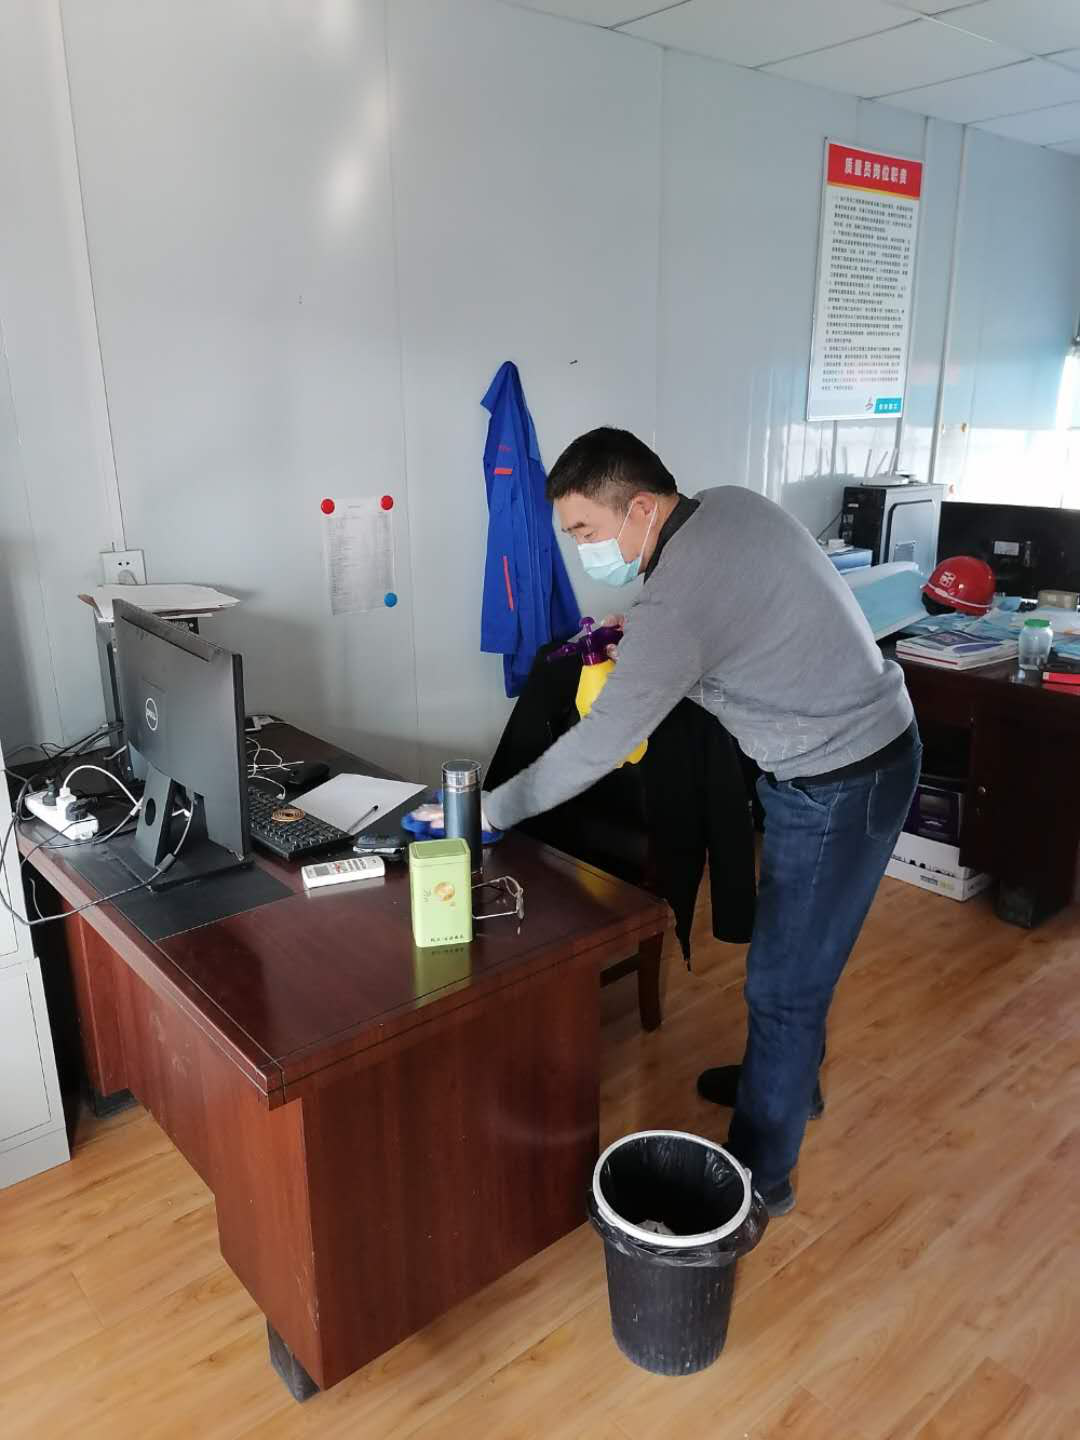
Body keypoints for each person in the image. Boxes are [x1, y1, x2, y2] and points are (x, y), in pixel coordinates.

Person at [481, 428, 922, 1217]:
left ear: (640, 508)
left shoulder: (677, 600)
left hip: (840, 776)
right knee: (801, 948)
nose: (582, 551)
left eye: (584, 530)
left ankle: (762, 1176)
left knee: (784, 983)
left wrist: (491, 810)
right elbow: (732, 620)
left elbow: (597, 747)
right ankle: (783, 1086)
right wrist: (648, 641)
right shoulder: (727, 507)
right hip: (860, 749)